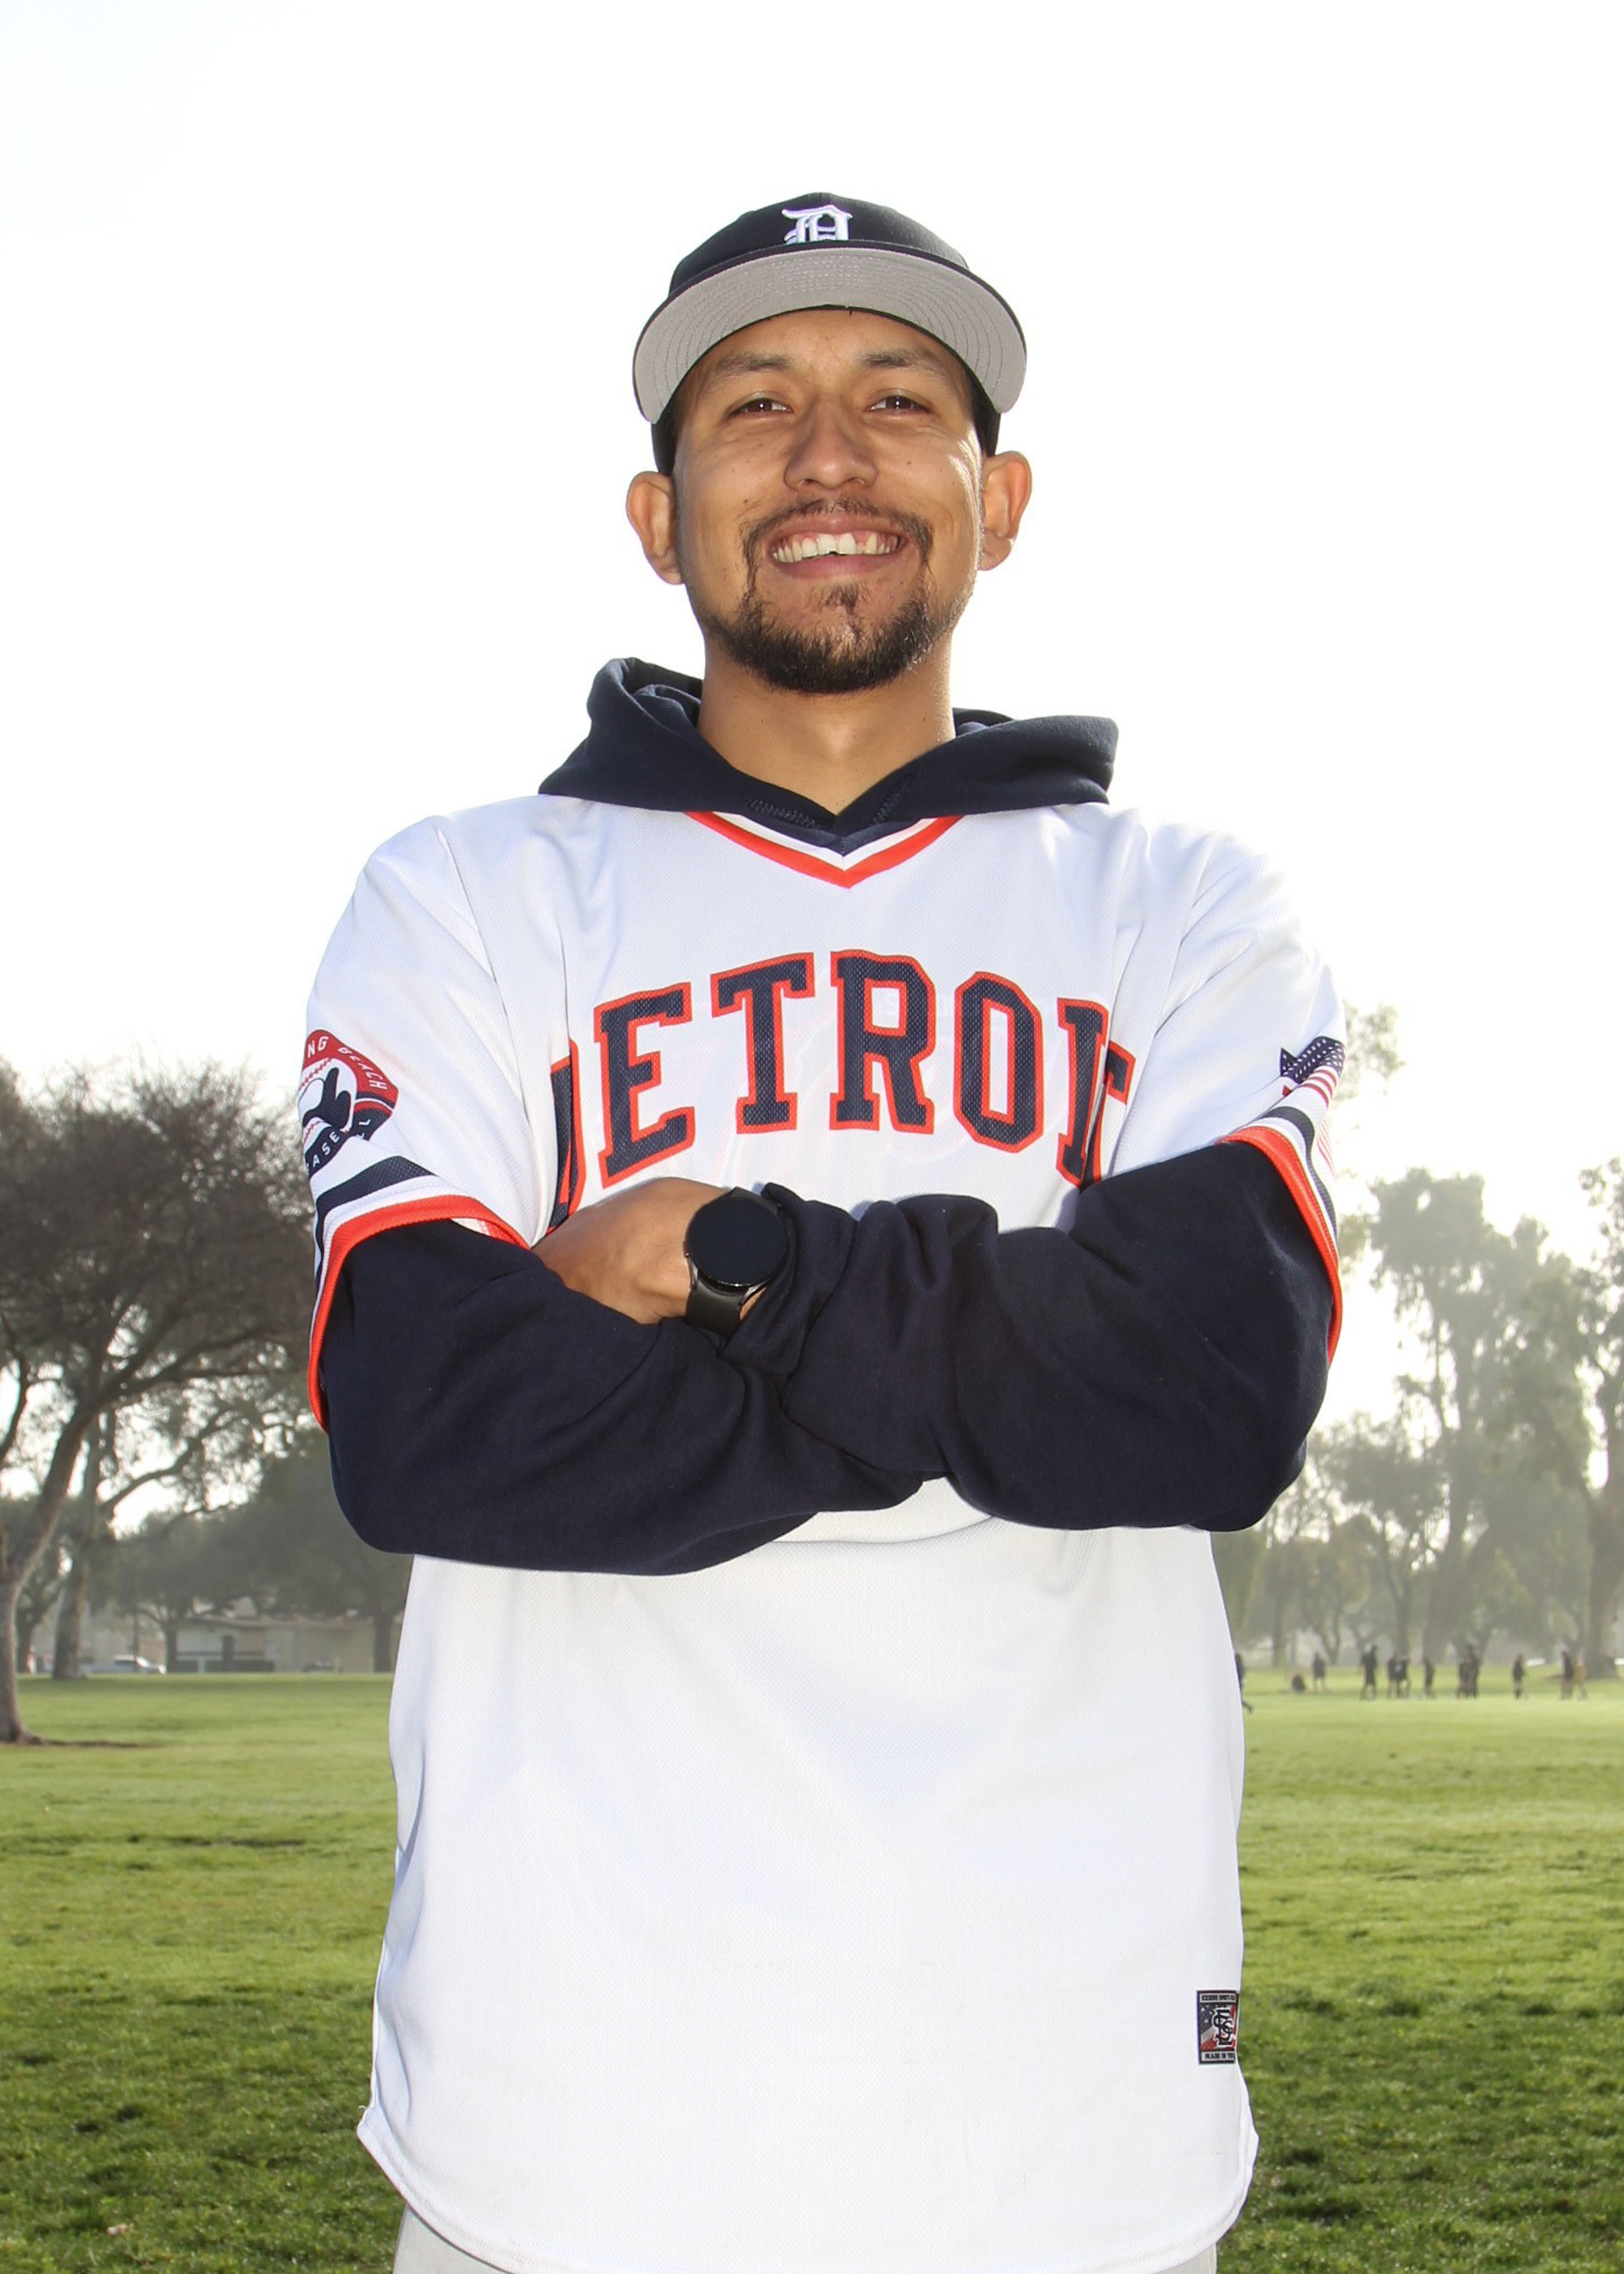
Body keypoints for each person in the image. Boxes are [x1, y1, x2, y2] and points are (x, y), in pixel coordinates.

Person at [301, 194, 1342, 2274]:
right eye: (756, 406)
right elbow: (430, 1413)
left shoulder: (1183, 904)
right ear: (656, 512)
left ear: (1001, 498)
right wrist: (1013, 1366)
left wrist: (744, 1262)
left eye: (898, 398)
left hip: (1064, 2112)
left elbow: (1210, 1390)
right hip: (563, 2122)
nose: (830, 453)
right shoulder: (464, 897)